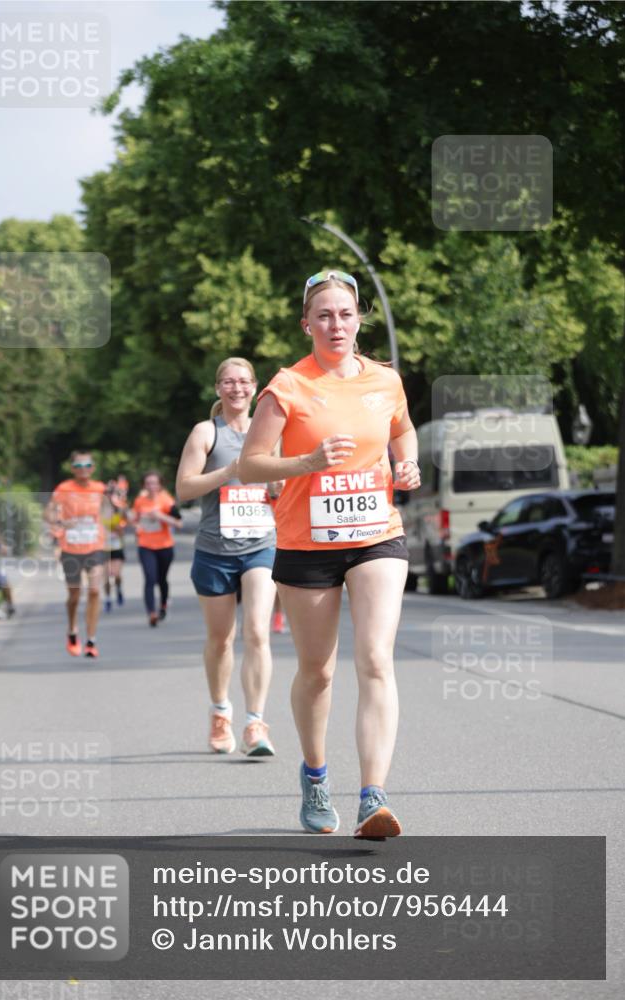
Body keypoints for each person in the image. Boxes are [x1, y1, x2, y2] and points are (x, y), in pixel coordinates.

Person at [238, 270, 421, 838]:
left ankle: (373, 797)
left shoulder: (385, 381)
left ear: (359, 317)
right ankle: (315, 775)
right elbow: (250, 464)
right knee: (317, 673)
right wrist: (307, 464)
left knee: (375, 659)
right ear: (307, 325)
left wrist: (406, 461)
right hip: (306, 541)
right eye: (324, 315)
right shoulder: (286, 387)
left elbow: (403, 429)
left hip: (376, 534)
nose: (335, 324)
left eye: (344, 313)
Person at [176, 357, 279, 757]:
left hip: (261, 544)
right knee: (221, 640)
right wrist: (231, 471)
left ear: (255, 388)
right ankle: (221, 712)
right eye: (228, 382)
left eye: (244, 382)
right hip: (215, 548)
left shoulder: (268, 431)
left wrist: (279, 486)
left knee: (257, 631)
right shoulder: (206, 432)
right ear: (218, 389)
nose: (237, 388)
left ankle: (255, 722)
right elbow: (184, 488)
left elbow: (283, 485)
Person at [46, 450, 109, 658]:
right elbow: (49, 512)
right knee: (74, 595)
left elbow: (113, 512)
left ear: (93, 468)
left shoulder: (100, 488)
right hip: (71, 548)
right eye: (79, 466)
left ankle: (91, 639)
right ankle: (72, 629)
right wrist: (61, 522)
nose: (84, 470)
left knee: (94, 591)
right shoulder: (64, 488)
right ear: (73, 468)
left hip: (95, 546)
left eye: (87, 465)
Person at [130, 471, 183, 626]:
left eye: (154, 483)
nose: (151, 486)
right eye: (148, 483)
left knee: (161, 579)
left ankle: (164, 604)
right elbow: (135, 520)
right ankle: (151, 613)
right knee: (150, 578)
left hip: (165, 546)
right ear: (144, 485)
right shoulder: (139, 501)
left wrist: (161, 516)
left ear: (160, 484)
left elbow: (179, 523)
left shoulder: (167, 500)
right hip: (145, 545)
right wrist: (136, 525)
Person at [102, 478, 128, 612]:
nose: (108, 495)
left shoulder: (119, 510)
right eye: (106, 492)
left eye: (111, 492)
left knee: (116, 574)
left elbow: (123, 529)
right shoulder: (98, 511)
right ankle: (107, 598)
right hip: (102, 547)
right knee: (106, 576)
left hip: (117, 546)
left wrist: (117, 527)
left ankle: (118, 589)